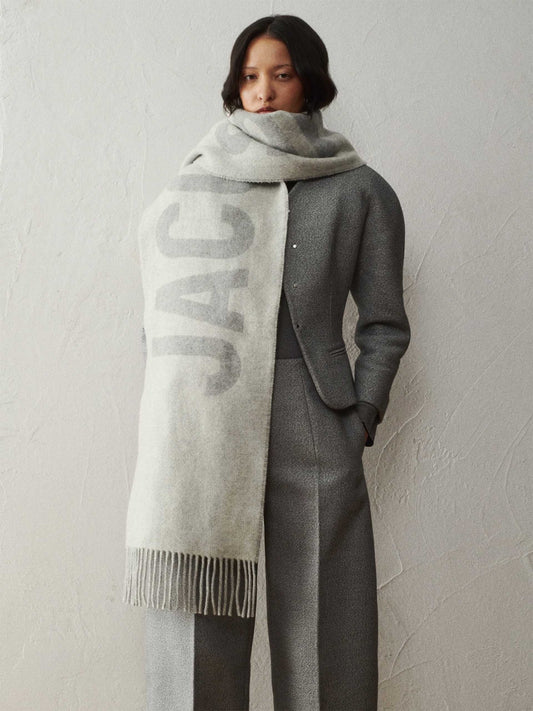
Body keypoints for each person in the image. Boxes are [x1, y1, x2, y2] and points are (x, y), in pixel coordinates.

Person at [141, 14, 410, 711]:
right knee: (197, 614)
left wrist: (361, 412)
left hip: (312, 410)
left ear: (309, 82)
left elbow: (383, 322)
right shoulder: (194, 182)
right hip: (207, 411)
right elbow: (160, 315)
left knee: (326, 619)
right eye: (249, 76)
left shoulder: (358, 189)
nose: (262, 92)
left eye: (280, 75)